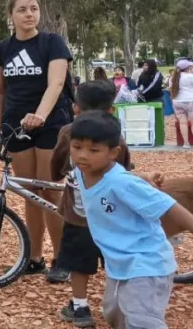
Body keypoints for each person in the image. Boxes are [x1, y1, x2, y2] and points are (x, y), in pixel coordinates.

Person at [50, 80, 166, 327]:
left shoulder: (67, 133)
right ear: (112, 110)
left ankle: (80, 306)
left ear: (75, 108)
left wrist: (60, 173)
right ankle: (121, 295)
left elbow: (56, 167)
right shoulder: (114, 137)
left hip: (77, 215)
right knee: (112, 255)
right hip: (110, 214)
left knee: (78, 262)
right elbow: (122, 173)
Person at [69, 110, 193, 329]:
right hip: (120, 263)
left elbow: (169, 205)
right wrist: (143, 175)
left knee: (141, 319)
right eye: (77, 147)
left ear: (113, 152)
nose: (83, 155)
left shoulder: (121, 184)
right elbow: (121, 175)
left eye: (93, 150)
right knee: (114, 314)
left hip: (147, 263)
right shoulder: (82, 171)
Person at [0, 0, 74, 283]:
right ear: (10, 15)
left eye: (34, 8)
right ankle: (34, 257)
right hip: (17, 126)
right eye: (22, 9)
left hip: (51, 123)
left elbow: (56, 83)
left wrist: (41, 114)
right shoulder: (3, 49)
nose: (29, 14)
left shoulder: (52, 43)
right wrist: (0, 127)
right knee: (29, 192)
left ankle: (62, 258)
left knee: (52, 189)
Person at [170, 59, 193, 148]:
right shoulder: (190, 76)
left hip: (177, 101)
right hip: (190, 100)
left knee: (183, 123)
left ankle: (186, 143)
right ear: (188, 68)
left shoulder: (173, 78)